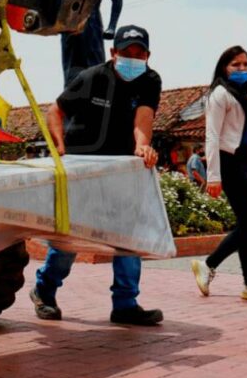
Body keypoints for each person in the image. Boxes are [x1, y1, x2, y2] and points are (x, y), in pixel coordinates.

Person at [29, 25, 164, 326]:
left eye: (139, 53)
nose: (132, 58)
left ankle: (125, 305)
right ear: (113, 53)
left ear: (148, 56)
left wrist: (143, 147)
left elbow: (143, 118)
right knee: (71, 239)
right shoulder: (91, 77)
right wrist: (59, 146)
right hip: (83, 170)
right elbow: (55, 111)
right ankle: (44, 290)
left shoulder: (150, 80)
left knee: (127, 237)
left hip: (120, 170)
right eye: (125, 53)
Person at [191, 45, 247, 302]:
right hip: (230, 162)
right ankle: (225, 271)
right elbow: (213, 135)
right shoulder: (220, 94)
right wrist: (213, 176)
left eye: (245, 65)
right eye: (235, 65)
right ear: (224, 68)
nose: (241, 69)